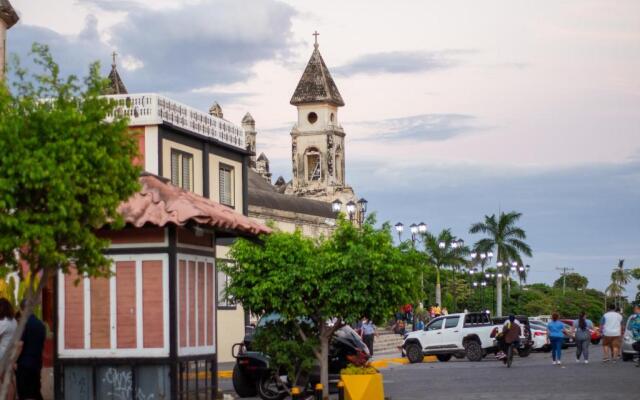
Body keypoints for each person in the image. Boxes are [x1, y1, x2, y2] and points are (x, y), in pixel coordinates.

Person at [16, 300, 46, 400]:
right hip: (37, 363)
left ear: (22, 310)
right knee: (35, 392)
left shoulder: (24, 324)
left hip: (25, 364)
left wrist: (13, 360)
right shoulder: (41, 325)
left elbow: (20, 345)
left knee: (26, 394)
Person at [0, 298, 17, 399]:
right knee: (8, 380)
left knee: (6, 380)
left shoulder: (4, 323)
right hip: (10, 353)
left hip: (3, 354)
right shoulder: (13, 321)